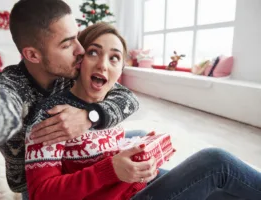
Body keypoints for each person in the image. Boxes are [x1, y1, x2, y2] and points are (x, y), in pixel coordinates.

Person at [24, 23, 261, 200]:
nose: (103, 64)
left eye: (114, 58)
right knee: (216, 163)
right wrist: (108, 170)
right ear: (79, 60)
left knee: (225, 191)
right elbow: (39, 194)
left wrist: (135, 164)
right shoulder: (52, 115)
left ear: (120, 70)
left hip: (132, 186)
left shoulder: (110, 101)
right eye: (93, 52)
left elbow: (129, 101)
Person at [0, 0, 140, 196]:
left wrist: (90, 116)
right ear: (33, 55)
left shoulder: (71, 71)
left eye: (77, 37)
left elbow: (127, 97)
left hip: (73, 155)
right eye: (67, 44)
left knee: (140, 137)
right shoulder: (12, 85)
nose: (81, 50)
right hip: (36, 181)